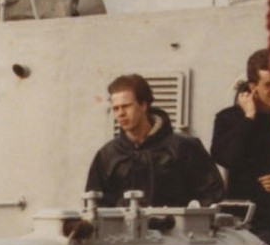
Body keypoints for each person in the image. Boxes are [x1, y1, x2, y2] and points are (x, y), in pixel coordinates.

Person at [85, 73, 224, 208]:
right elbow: (93, 205)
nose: (120, 113)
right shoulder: (107, 155)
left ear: (144, 105)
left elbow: (212, 196)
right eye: (116, 108)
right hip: (122, 231)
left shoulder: (184, 147)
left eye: (126, 106)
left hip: (176, 231)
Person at [211, 49, 270, 244]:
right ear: (253, 87)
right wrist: (248, 118)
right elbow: (226, 158)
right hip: (246, 222)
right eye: (268, 85)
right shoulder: (229, 118)